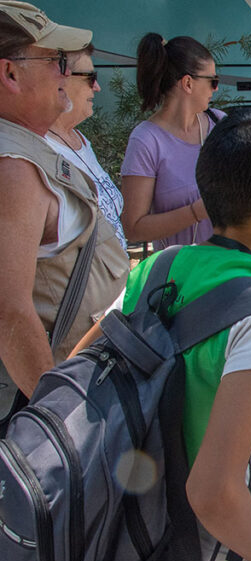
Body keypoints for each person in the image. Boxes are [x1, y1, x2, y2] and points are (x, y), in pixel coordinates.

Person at [80, 107, 251, 561]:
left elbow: (78, 367)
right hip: (212, 547)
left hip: (129, 517)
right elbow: (213, 490)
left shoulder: (160, 266)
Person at [0, 2, 127, 426]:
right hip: (67, 400)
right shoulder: (13, 167)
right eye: (56, 60)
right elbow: (9, 311)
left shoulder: (21, 149)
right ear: (10, 74)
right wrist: (62, 425)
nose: (65, 73)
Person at [121, 33, 223, 249]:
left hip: (230, 267)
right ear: (187, 83)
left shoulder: (220, 122)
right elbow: (133, 228)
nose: (216, 88)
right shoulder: (146, 140)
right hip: (180, 275)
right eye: (213, 81)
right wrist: (196, 212)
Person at [45, 44, 126, 250]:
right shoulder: (41, 147)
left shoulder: (80, 139)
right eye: (90, 77)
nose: (97, 86)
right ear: (61, 80)